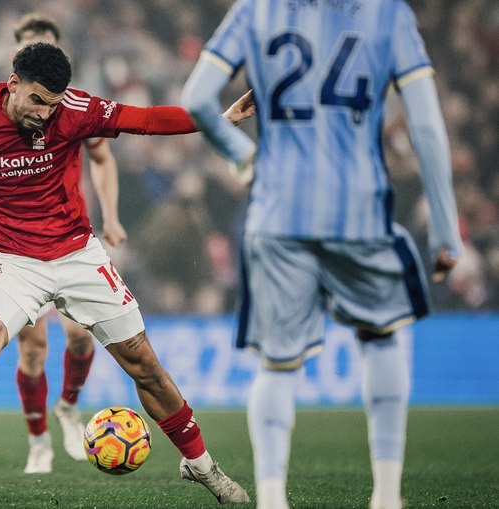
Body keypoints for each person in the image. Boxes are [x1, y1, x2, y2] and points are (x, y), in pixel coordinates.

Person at [0, 43, 254, 504]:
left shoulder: (77, 110)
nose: (45, 114)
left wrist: (217, 121)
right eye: (37, 101)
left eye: (53, 104)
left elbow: (145, 120)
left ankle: (202, 465)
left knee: (144, 364)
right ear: (13, 85)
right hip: (11, 260)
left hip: (77, 255)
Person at [180, 2, 463, 509]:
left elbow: (198, 98)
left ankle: (270, 497)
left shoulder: (255, 11)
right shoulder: (388, 13)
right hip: (359, 207)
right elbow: (425, 124)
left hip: (276, 210)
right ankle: (387, 494)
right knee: (380, 337)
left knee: (277, 364)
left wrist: (242, 154)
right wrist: (446, 229)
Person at [10, 12, 128, 474]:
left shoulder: (71, 110)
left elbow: (102, 158)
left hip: (66, 238)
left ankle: (68, 406)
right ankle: (39, 442)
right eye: (32, 42)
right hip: (16, 246)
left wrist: (111, 216)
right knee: (33, 347)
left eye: (48, 43)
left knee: (81, 337)